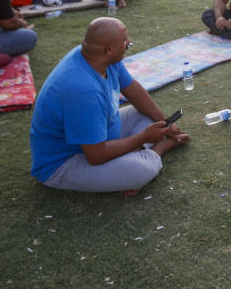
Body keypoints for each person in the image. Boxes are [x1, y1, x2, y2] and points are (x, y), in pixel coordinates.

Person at [29, 18, 190, 194]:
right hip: (66, 161)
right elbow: (96, 156)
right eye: (124, 40)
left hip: (100, 135)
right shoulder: (83, 91)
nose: (128, 42)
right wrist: (144, 137)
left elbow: (134, 90)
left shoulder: (99, 58)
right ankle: (160, 148)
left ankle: (131, 158)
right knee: (141, 170)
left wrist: (166, 123)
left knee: (147, 116)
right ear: (109, 49)